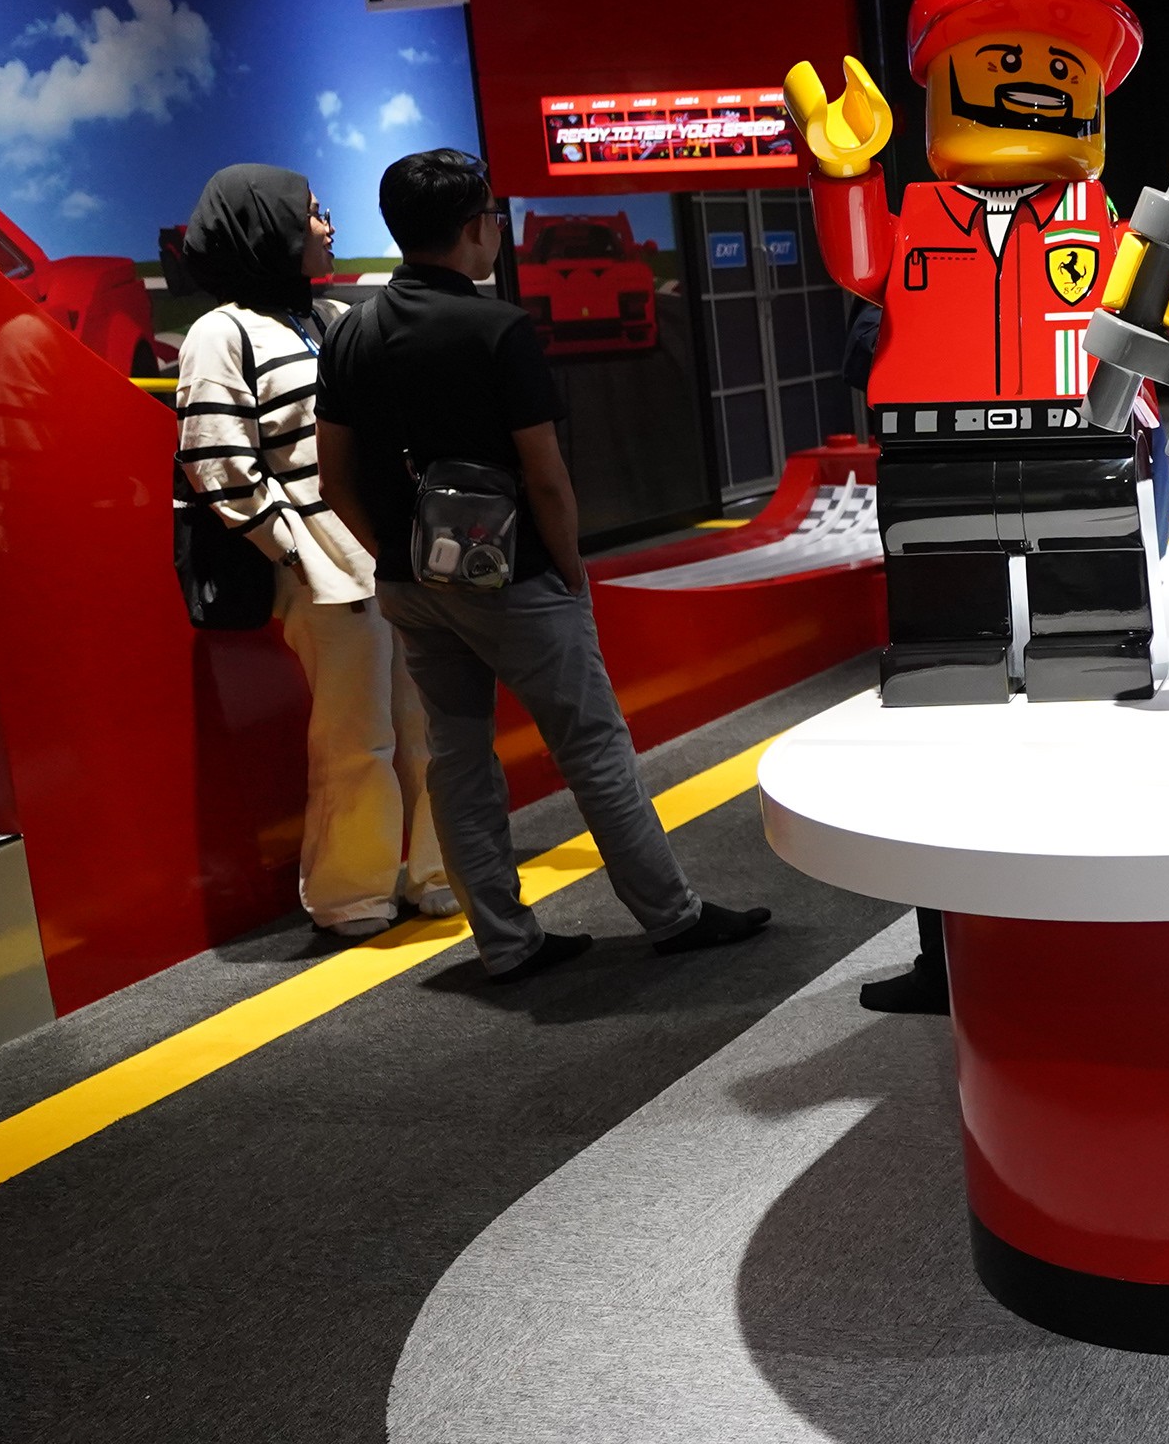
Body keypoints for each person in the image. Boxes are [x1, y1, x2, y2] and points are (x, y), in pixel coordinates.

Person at [316, 149, 770, 982]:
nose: (497, 229)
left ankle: (504, 941)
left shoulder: (350, 333)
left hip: (411, 584)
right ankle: (672, 916)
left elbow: (333, 479)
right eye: (492, 216)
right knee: (592, 745)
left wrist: (396, 556)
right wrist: (570, 572)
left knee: (456, 755)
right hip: (515, 577)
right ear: (472, 228)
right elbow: (547, 478)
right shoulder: (499, 329)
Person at [174, 164, 449, 939]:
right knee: (356, 738)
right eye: (312, 213)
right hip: (326, 572)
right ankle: (352, 894)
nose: (327, 226)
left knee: (429, 724)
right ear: (266, 226)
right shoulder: (221, 333)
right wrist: (294, 550)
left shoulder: (330, 316)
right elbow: (216, 458)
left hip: (390, 556)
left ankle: (438, 871)